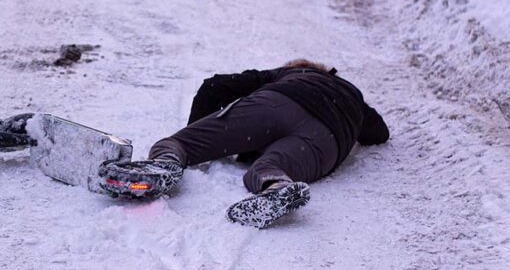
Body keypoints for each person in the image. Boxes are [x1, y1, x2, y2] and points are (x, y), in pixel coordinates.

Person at [98, 59, 390, 228]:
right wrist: (351, 113)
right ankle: (278, 187)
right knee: (272, 166)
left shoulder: (289, 74)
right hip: (327, 137)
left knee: (179, 144)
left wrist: (202, 138)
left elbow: (215, 86)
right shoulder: (352, 95)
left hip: (279, 104)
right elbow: (379, 134)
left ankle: (164, 164)